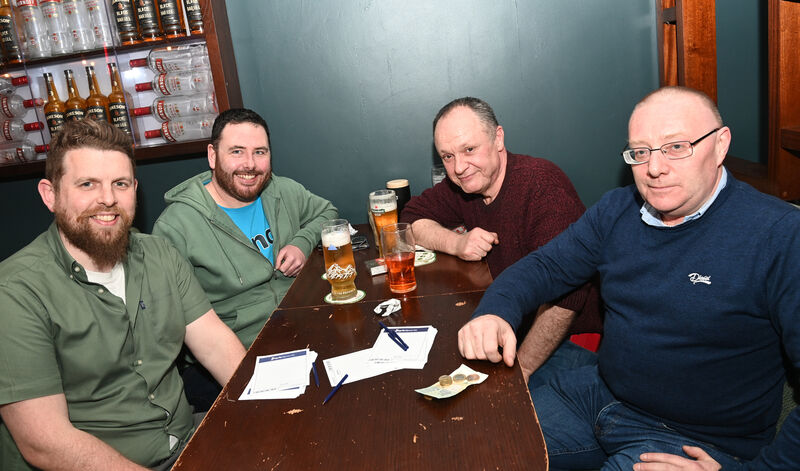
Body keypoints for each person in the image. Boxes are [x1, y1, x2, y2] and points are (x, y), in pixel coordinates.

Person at [458, 86, 800, 470]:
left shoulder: (780, 234)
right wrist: (495, 310)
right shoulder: (617, 210)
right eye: (640, 152)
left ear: (720, 146)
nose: (654, 168)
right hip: (598, 394)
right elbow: (546, 267)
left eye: (676, 147)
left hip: (691, 441)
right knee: (474, 442)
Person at [0, 119, 246, 471]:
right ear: (50, 195)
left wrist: (267, 404)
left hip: (185, 444)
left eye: (120, 184)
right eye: (88, 184)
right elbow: (45, 442)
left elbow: (215, 344)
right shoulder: (14, 291)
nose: (108, 199)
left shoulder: (159, 254)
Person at [400, 97, 602, 388]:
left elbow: (566, 302)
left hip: (569, 338)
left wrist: (521, 369)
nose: (459, 167)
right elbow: (412, 219)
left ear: (498, 139)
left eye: (469, 149)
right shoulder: (468, 184)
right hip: (510, 320)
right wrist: (456, 244)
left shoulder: (543, 187)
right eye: (447, 156)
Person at [153, 108, 337, 410]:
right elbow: (176, 326)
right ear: (212, 156)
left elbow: (327, 212)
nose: (250, 165)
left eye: (259, 152)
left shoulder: (280, 190)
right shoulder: (175, 227)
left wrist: (302, 242)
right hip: (238, 358)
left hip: (307, 330)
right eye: (236, 152)